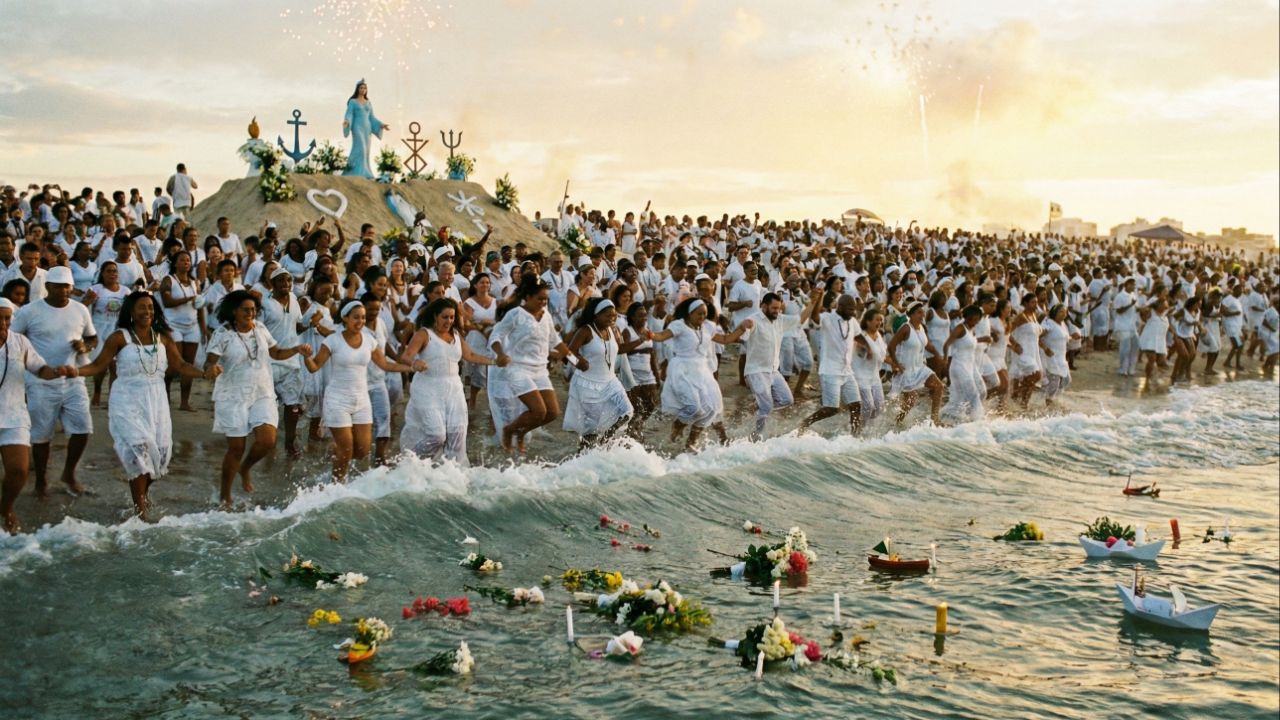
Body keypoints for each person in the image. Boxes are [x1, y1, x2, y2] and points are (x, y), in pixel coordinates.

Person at [72, 292, 217, 519]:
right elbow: (98, 366)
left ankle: (142, 494)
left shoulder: (164, 337)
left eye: (151, 307)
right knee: (139, 451)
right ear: (131, 311)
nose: (147, 312)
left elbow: (180, 365)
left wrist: (204, 374)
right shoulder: (119, 337)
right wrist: (74, 371)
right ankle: (140, 510)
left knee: (160, 455)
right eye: (142, 307)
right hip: (127, 398)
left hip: (156, 400)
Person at [204, 290, 310, 507]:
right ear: (234, 311)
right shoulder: (223, 334)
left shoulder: (260, 328)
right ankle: (225, 495)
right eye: (245, 310)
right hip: (233, 395)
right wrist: (211, 369)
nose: (250, 313)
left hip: (262, 392)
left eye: (253, 310)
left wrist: (296, 349)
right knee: (236, 449)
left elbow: (276, 353)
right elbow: (209, 362)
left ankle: (245, 468)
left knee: (267, 441)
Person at [302, 299, 422, 480]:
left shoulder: (369, 340)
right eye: (356, 317)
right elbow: (314, 367)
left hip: (361, 400)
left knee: (362, 451)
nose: (360, 322)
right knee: (346, 449)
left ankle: (335, 454)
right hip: (337, 400)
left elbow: (385, 364)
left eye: (363, 318)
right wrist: (306, 357)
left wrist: (411, 367)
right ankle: (336, 486)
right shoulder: (332, 340)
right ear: (345, 318)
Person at [12, 266, 97, 497]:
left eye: (67, 287)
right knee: (41, 435)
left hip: (73, 378)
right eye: (58, 287)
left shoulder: (80, 310)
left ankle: (69, 473)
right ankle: (41, 481)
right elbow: (13, 340)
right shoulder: (30, 311)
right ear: (48, 287)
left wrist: (85, 346)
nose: (63, 291)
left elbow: (92, 338)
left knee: (83, 428)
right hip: (40, 381)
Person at [0, 299, 75, 534]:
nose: (3, 323)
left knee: (19, 470)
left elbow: (40, 368)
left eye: (6, 318)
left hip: (13, 415)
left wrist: (56, 372)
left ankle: (6, 509)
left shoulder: (19, 342)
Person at [400, 298, 503, 464]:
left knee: (457, 434)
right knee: (437, 435)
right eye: (445, 317)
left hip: (454, 389)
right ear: (435, 316)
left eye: (452, 317)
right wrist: (415, 363)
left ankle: (451, 470)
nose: (449, 321)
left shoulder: (455, 334)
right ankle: (411, 463)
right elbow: (406, 355)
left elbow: (470, 355)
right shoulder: (424, 334)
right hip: (428, 388)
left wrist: (495, 361)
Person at [488, 277, 580, 455]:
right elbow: (496, 336)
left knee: (553, 412)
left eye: (546, 299)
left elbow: (555, 341)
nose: (543, 302)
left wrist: (575, 361)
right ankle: (509, 430)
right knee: (538, 410)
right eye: (540, 298)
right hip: (518, 368)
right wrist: (500, 354)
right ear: (528, 297)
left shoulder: (546, 315)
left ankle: (521, 431)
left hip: (540, 369)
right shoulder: (515, 314)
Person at [651, 297, 752, 450]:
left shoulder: (708, 327)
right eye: (699, 314)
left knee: (711, 409)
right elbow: (662, 336)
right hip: (683, 369)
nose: (702, 317)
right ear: (690, 313)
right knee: (693, 407)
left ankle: (691, 442)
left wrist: (742, 328)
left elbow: (725, 339)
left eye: (704, 314)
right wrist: (650, 335)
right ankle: (678, 424)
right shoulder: (679, 325)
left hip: (703, 370)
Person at [739, 289, 822, 439]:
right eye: (774, 308)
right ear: (764, 306)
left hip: (773, 371)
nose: (777, 311)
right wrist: (744, 327)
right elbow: (741, 336)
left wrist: (813, 303)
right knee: (766, 406)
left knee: (787, 400)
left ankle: (758, 408)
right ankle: (755, 435)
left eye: (779, 308)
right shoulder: (753, 320)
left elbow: (800, 319)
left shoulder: (780, 319)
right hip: (756, 371)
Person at [562, 298, 639, 448]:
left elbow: (620, 349)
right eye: (607, 315)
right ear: (596, 315)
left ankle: (603, 444)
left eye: (614, 315)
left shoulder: (613, 329)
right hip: (588, 384)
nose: (612, 318)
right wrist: (578, 362)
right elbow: (568, 352)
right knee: (591, 429)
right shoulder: (585, 330)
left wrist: (640, 340)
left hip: (611, 382)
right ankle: (584, 455)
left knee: (627, 412)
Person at [800, 294, 864, 434]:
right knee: (832, 409)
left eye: (854, 309)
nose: (853, 312)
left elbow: (858, 336)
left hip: (847, 371)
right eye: (850, 309)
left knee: (856, 405)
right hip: (830, 371)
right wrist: (819, 298)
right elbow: (815, 317)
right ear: (840, 307)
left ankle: (855, 435)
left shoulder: (852, 321)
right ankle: (805, 423)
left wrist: (868, 348)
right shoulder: (827, 318)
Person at [261, 268, 306, 457]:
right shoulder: (265, 304)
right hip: (269, 362)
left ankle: (289, 442)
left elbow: (297, 326)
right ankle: (266, 441)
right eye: (281, 280)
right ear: (272, 284)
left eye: (289, 280)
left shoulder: (294, 299)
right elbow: (258, 331)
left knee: (292, 405)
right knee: (268, 404)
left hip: (291, 361)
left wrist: (312, 323)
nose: (286, 284)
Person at [886, 301, 944, 426]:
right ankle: (897, 421)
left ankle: (934, 419)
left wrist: (938, 355)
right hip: (906, 369)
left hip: (919, 367)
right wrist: (896, 364)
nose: (922, 315)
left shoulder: (921, 328)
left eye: (923, 312)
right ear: (911, 315)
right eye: (919, 313)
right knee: (911, 400)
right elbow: (891, 346)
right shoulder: (906, 328)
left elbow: (927, 345)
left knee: (939, 386)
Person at [159, 250, 201, 411]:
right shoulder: (168, 280)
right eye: (182, 260)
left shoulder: (194, 282)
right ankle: (165, 397)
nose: (186, 263)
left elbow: (198, 306)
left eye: (188, 260)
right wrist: (188, 299)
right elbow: (167, 302)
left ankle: (185, 402)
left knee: (188, 365)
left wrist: (203, 327)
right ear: (175, 263)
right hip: (173, 326)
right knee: (174, 365)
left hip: (192, 326)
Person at [460, 273, 498, 404]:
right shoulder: (469, 302)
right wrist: (482, 325)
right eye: (482, 282)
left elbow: (499, 320)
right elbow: (466, 324)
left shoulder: (495, 302)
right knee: (475, 371)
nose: (485, 285)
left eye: (487, 282)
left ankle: (489, 402)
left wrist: (486, 323)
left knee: (489, 371)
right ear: (475, 285)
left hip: (491, 338)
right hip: (475, 339)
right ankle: (471, 399)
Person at [341, 80, 389, 179]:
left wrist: (381, 125)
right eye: (361, 88)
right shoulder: (353, 102)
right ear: (357, 89)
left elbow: (372, 117)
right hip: (357, 127)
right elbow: (349, 113)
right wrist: (347, 121)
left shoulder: (368, 102)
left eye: (365, 88)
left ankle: (365, 172)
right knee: (361, 148)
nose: (363, 90)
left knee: (366, 150)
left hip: (367, 128)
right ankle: (356, 172)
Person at [1007, 293, 1044, 409]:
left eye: (1036, 302)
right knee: (1035, 375)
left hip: (1033, 351)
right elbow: (1007, 331)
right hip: (1023, 351)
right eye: (1033, 302)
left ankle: (1023, 403)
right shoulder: (1021, 317)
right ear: (1026, 303)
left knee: (1033, 378)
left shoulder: (1034, 315)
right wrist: (1014, 345)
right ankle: (1016, 394)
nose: (1035, 305)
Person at [1040, 304, 1075, 404]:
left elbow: (1063, 337)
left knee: (1066, 380)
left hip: (1061, 357)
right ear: (1054, 313)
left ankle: (1052, 398)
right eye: (1061, 312)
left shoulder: (1062, 324)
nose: (1064, 314)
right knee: (1054, 382)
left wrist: (1072, 337)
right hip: (1051, 357)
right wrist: (1045, 348)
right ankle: (1049, 402)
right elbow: (1037, 336)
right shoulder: (1048, 323)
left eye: (1065, 312)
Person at [1138, 297, 1170, 383]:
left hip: (1160, 342)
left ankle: (1156, 377)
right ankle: (1147, 379)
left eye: (1166, 306)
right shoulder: (1151, 312)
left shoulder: (1165, 316)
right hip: (1149, 340)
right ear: (1158, 305)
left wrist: (1175, 334)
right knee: (1152, 359)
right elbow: (1141, 311)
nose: (1166, 307)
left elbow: (1169, 327)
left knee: (1162, 363)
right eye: (1164, 305)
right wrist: (1150, 306)